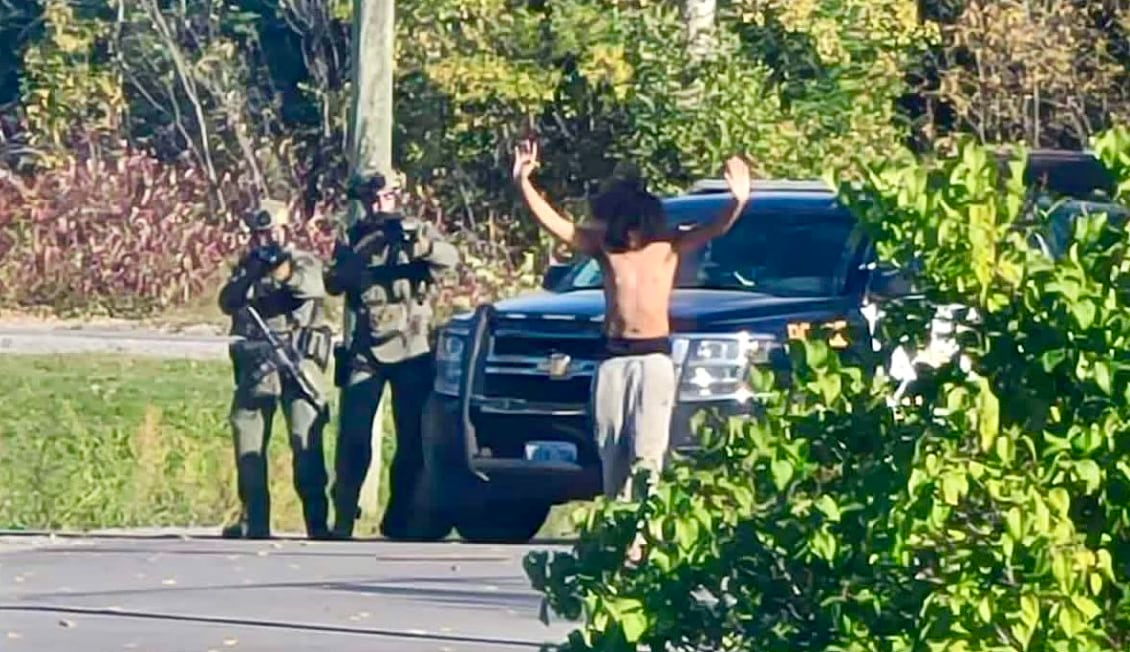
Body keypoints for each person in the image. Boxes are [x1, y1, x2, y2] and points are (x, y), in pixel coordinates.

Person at [511, 139, 751, 562]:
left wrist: (738, 199)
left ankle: (641, 534)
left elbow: (716, 227)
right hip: (613, 360)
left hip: (653, 360)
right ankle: (615, 526)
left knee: (647, 449)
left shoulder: (668, 247)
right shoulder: (605, 250)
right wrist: (523, 182)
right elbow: (557, 225)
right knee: (611, 446)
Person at [324, 168, 460, 540]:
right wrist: (362, 252)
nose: (377, 205)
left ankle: (402, 518)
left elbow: (450, 259)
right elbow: (333, 282)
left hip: (412, 347)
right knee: (353, 436)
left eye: (384, 197)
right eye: (370, 199)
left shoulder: (417, 230)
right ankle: (343, 516)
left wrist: (421, 246)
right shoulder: (354, 236)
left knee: (412, 439)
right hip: (366, 350)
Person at [217, 198, 335, 540]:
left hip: (297, 365)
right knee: (247, 439)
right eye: (259, 235)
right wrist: (252, 272)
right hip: (258, 369)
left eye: (271, 233)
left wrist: (279, 269)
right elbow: (228, 301)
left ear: (286, 231)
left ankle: (317, 522)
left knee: (305, 441)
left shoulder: (303, 261)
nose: (264, 241)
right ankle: (254, 519)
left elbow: (308, 287)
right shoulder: (247, 267)